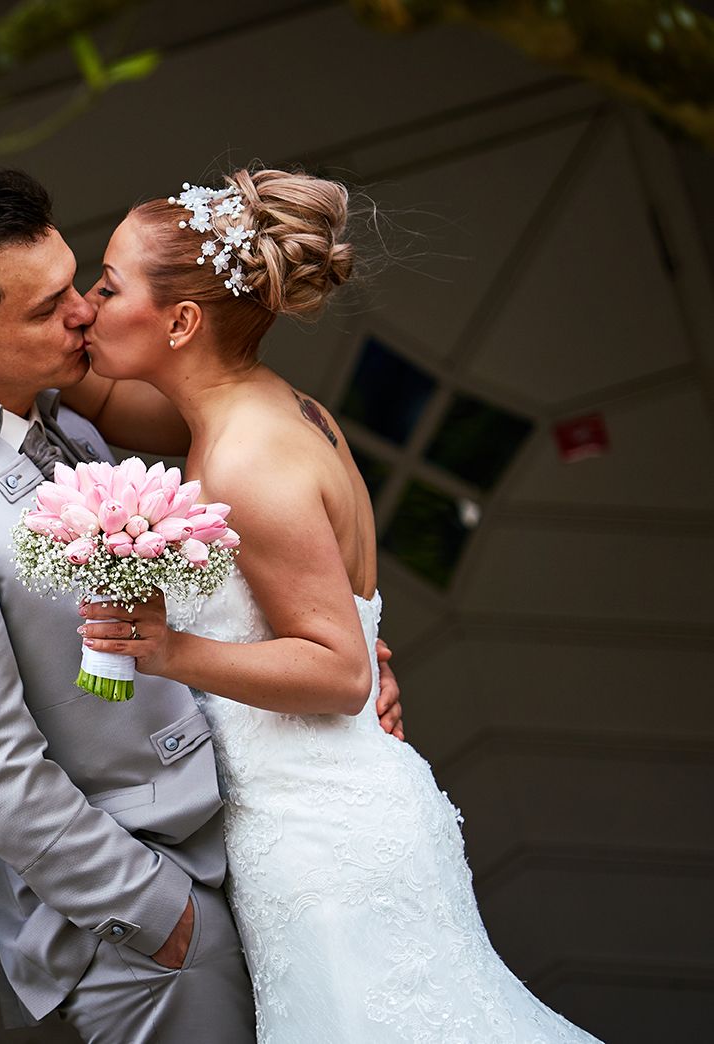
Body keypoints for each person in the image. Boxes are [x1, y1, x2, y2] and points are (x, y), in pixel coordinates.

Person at [0, 167, 402, 1042]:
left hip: (256, 851)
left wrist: (350, 642)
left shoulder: (75, 422)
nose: (81, 311)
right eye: (45, 308)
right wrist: (154, 913)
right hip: (150, 927)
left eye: (78, 282)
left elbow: (277, 501)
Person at [73, 168, 601, 1042]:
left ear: (178, 321)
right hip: (330, 814)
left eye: (105, 285)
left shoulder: (249, 459)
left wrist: (167, 651)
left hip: (324, 842)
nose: (87, 307)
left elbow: (342, 670)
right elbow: (99, 397)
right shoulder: (249, 411)